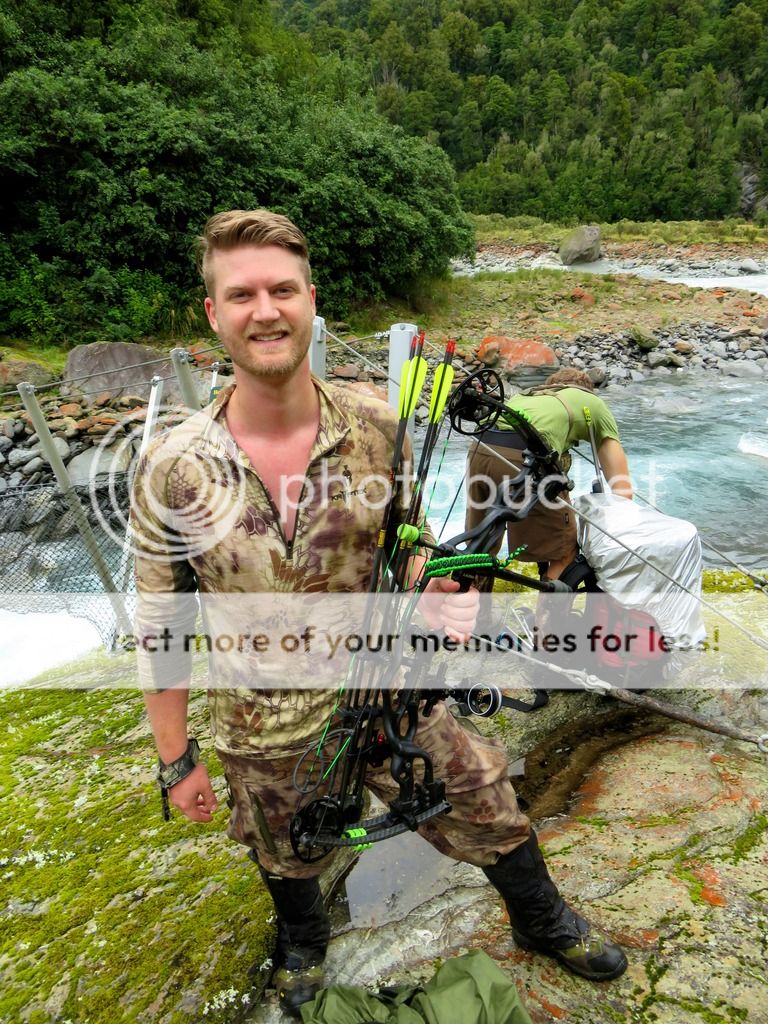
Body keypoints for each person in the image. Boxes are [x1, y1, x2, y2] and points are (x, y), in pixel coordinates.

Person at [131, 210, 627, 1019]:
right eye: (243, 295)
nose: (266, 310)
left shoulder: (377, 424)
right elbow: (161, 624)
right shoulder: (171, 465)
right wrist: (175, 760)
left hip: (391, 694)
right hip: (264, 723)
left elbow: (410, 538)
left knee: (485, 796)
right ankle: (303, 941)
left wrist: (431, 583)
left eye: (282, 290)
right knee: (283, 848)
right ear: (214, 314)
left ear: (310, 301)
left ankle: (541, 920)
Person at [465, 367, 633, 584]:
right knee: (563, 551)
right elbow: (622, 488)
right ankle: (550, 607)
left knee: (480, 545)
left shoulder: (528, 395)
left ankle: (468, 597)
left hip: (479, 451)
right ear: (586, 388)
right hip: (523, 458)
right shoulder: (592, 402)